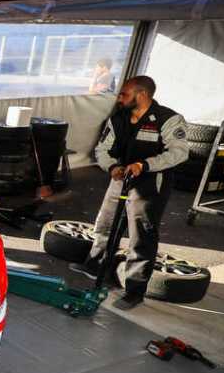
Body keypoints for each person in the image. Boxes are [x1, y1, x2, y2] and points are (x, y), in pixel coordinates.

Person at [70, 75, 188, 310]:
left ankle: (134, 290)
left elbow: (180, 152)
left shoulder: (168, 119)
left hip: (150, 183)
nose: (120, 98)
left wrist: (145, 165)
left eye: (125, 94)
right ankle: (96, 266)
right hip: (121, 177)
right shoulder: (118, 117)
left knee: (141, 236)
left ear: (142, 95)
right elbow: (102, 148)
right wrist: (112, 166)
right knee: (105, 224)